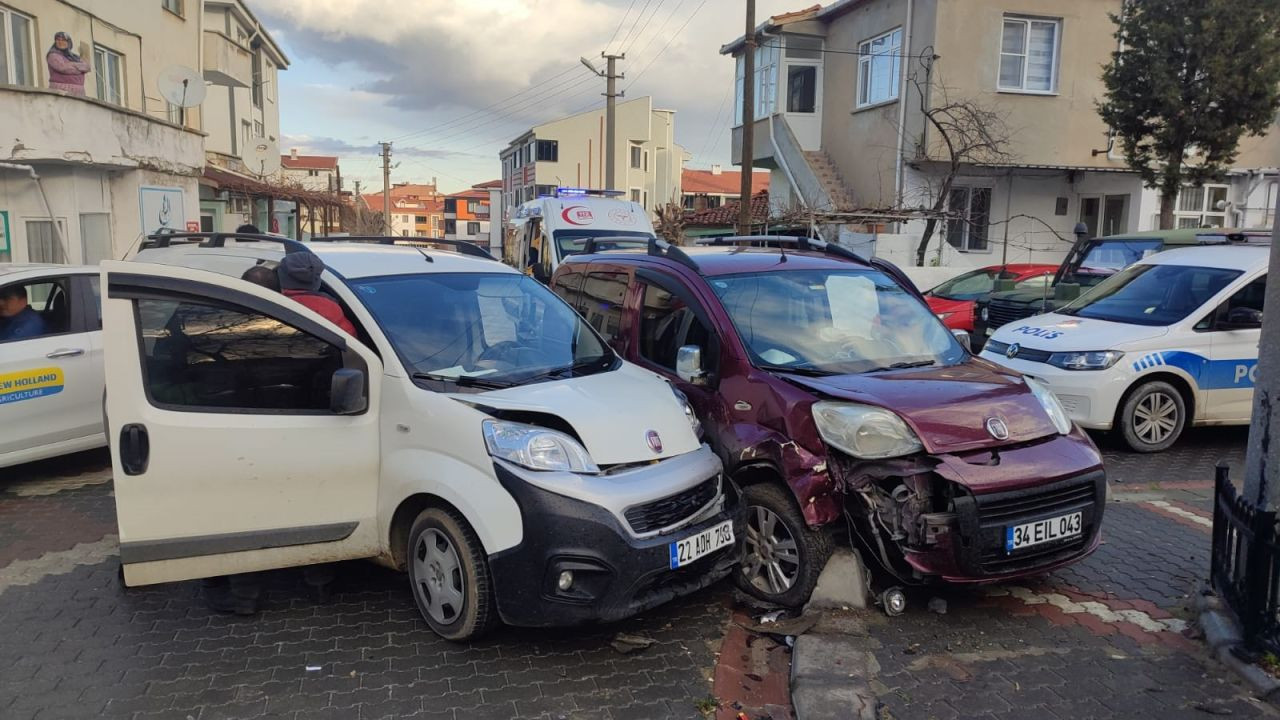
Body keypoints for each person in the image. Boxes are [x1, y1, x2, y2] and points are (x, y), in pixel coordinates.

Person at [276, 252, 357, 336]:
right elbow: (350, 339)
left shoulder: (274, 305)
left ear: (281, 278)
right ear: (317, 279)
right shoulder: (329, 307)